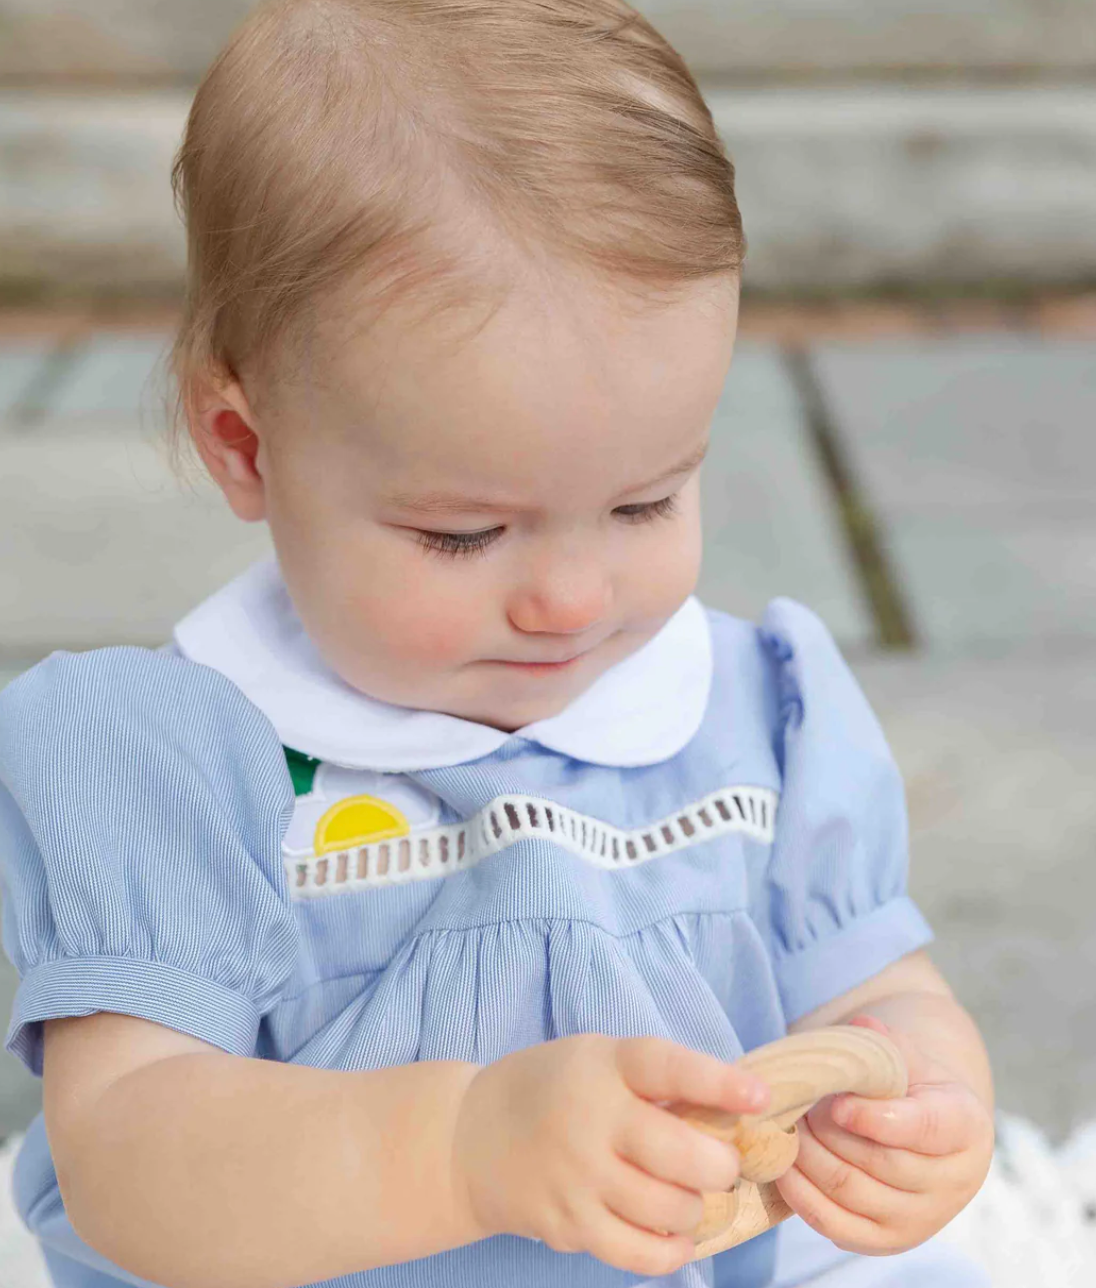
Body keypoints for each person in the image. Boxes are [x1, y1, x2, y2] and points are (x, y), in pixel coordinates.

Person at [0, 2, 995, 1286]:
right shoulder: (168, 760)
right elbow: (133, 1159)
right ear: (248, 448)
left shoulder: (757, 711)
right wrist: (457, 1147)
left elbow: (877, 992)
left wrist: (920, 1104)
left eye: (646, 501)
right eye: (465, 533)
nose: (572, 601)